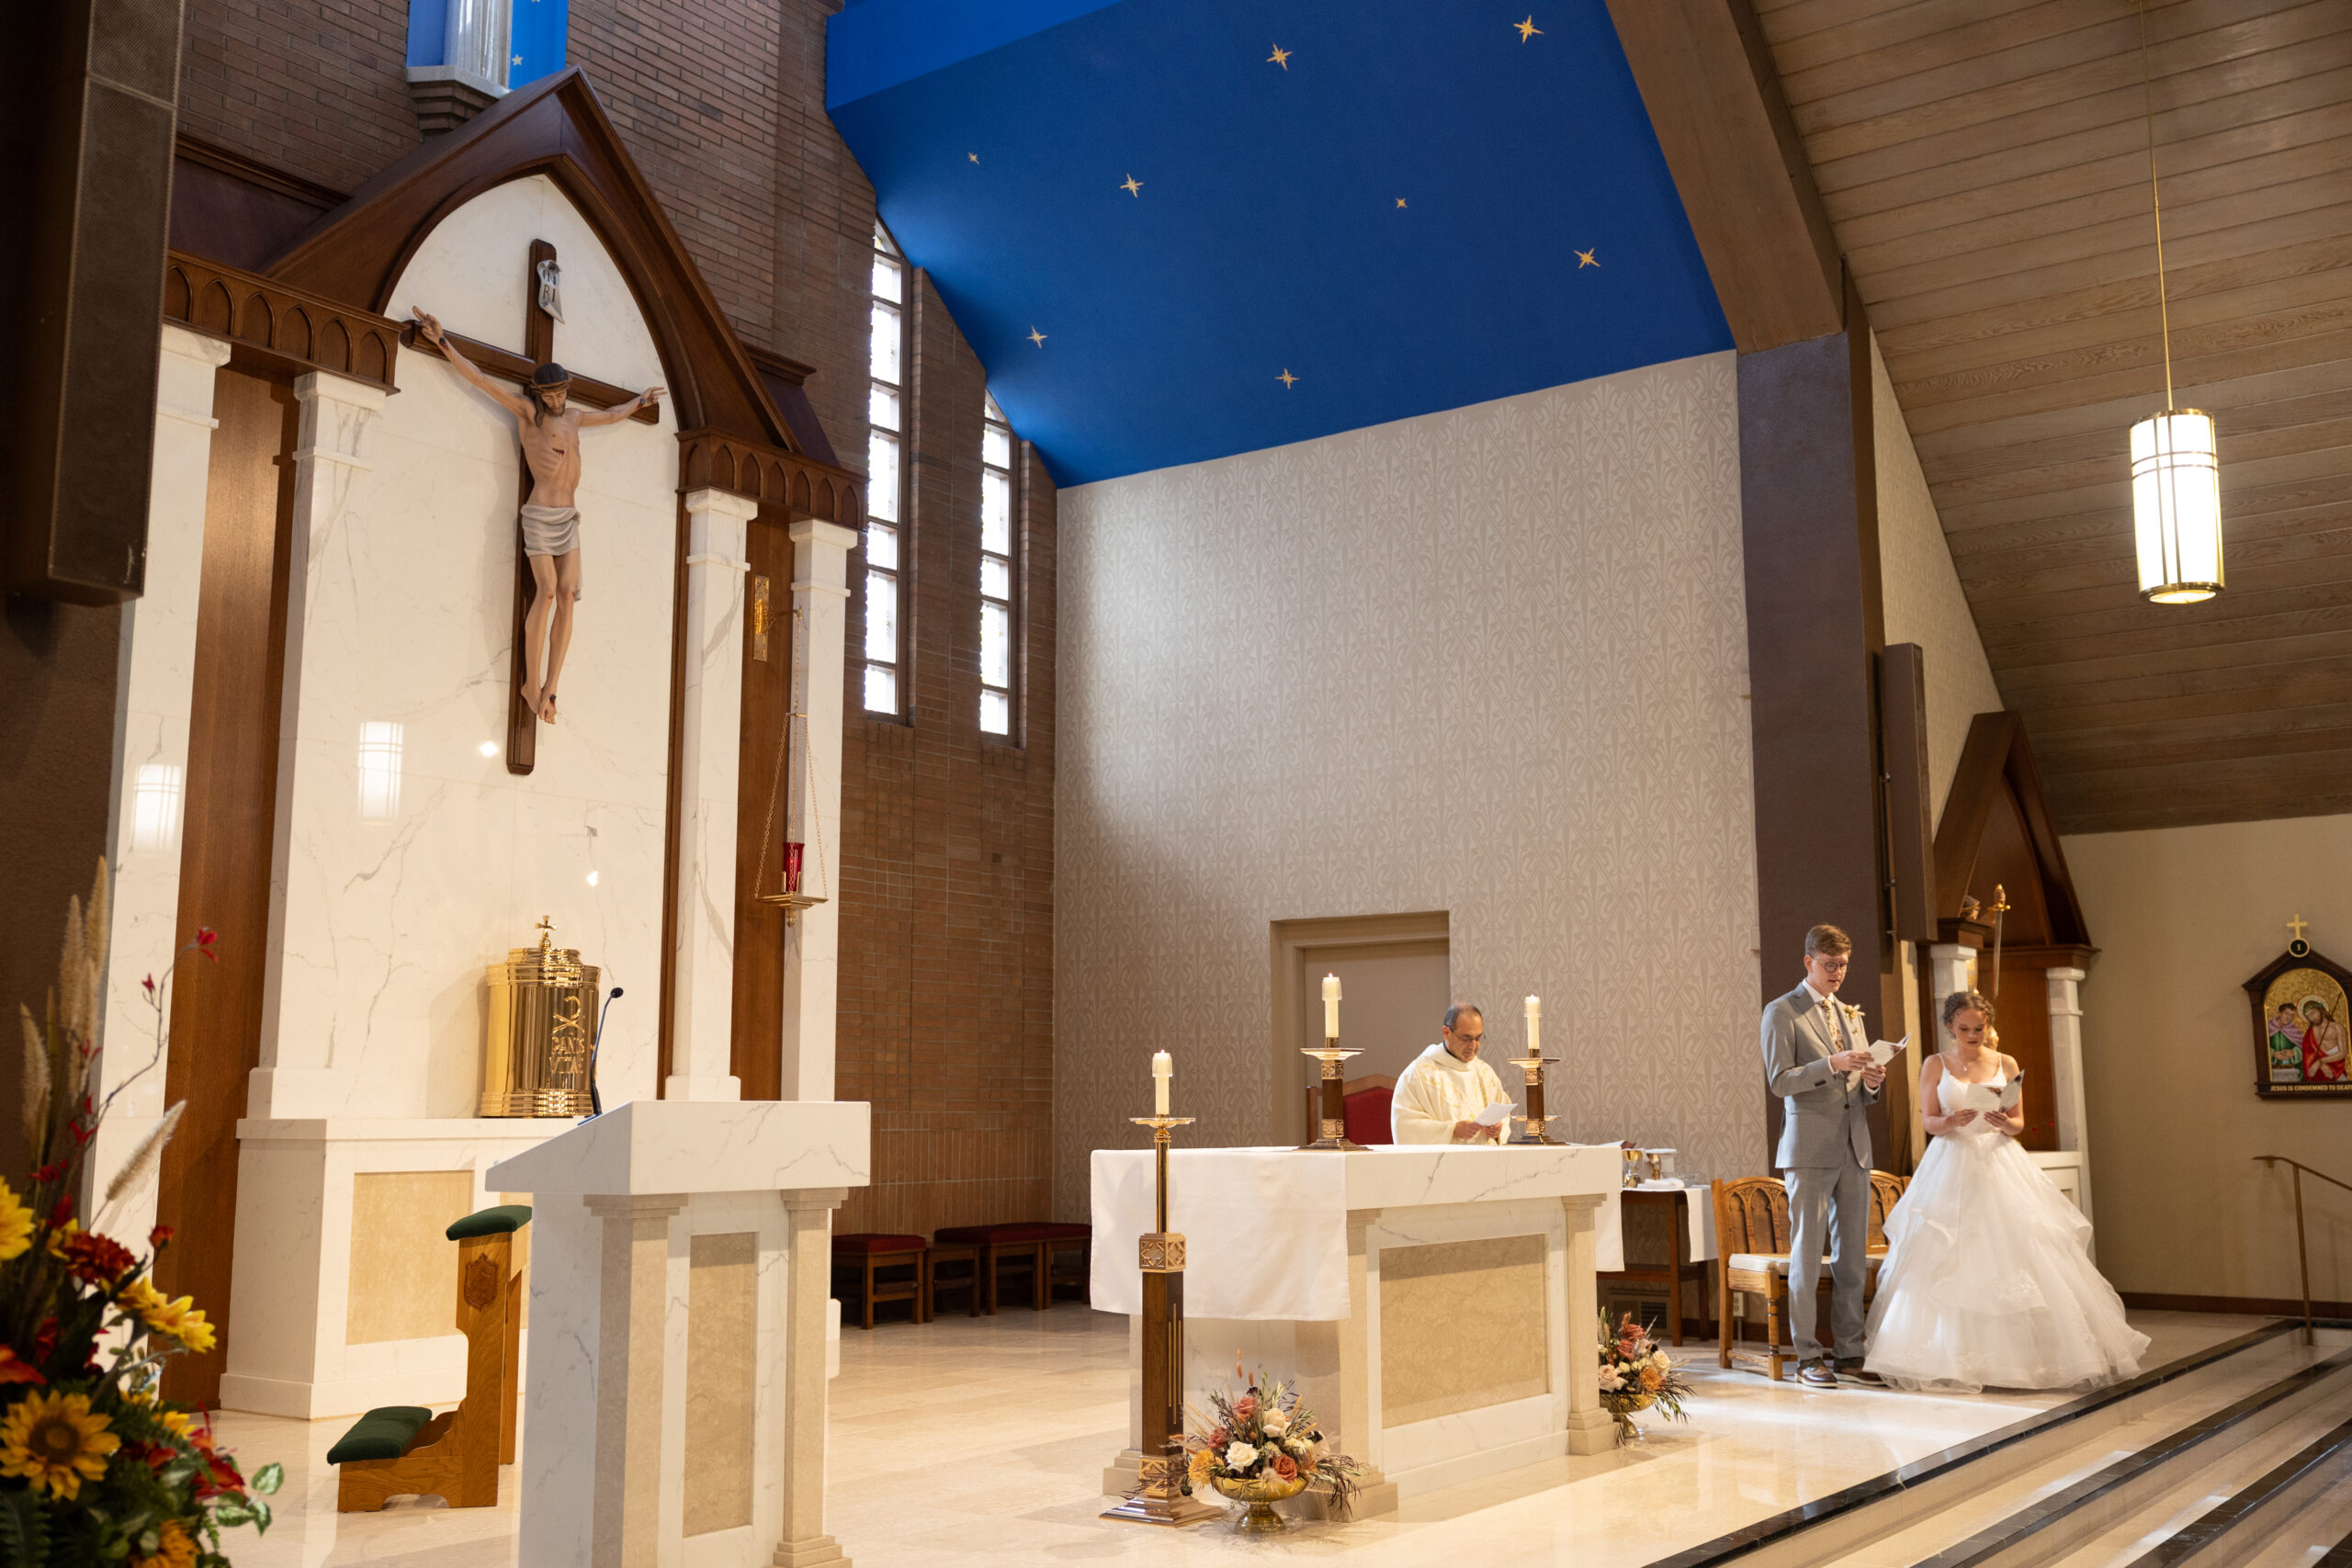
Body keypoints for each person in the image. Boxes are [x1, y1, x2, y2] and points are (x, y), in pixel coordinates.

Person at [1863, 990, 2148, 1393]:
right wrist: (1952, 1120)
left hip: (1999, 1160)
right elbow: (1928, 1120)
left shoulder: (2006, 1063)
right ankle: (1951, 1357)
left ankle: (2030, 1358)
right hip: (1951, 1162)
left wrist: (2002, 1122)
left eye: (1979, 1028)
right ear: (1950, 1026)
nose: (1973, 1035)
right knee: (1951, 1255)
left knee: (2020, 1251)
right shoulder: (1935, 1064)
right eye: (1964, 1029)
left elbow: (2019, 1122)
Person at [412, 308, 663, 725]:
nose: (556, 400)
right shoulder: (529, 414)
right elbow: (480, 379)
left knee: (567, 597)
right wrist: (443, 341)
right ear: (539, 393)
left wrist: (641, 400)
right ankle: (532, 683)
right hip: (540, 515)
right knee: (546, 592)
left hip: (569, 518)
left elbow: (614, 414)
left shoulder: (576, 417)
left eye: (561, 393)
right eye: (550, 395)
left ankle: (551, 687)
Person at [1760, 924, 1886, 1388]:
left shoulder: (1850, 1015)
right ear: (1809, 962)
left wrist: (1871, 1081)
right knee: (1808, 1256)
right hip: (1809, 1148)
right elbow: (1780, 1081)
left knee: (1851, 1257)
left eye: (1844, 966)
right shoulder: (1781, 1012)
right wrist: (1830, 1064)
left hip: (1854, 1145)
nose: (1838, 974)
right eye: (1830, 965)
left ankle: (1850, 1353)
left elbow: (1858, 1088)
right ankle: (1807, 1356)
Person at [1391, 1004, 1509, 1145]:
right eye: (1466, 1038)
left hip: (1485, 1162)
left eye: (1478, 1038)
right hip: (1439, 1164)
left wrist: (1498, 1130)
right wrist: (1452, 1130)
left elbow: (1504, 1115)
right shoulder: (1419, 1073)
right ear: (1446, 1033)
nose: (1473, 1046)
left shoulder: (1485, 1073)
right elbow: (1405, 1126)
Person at [2302, 1000, 2347, 1083]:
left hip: (2336, 1066)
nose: (2311, 1019)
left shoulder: (2337, 1027)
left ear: (2321, 1010)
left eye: (2312, 1013)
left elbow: (2343, 1053)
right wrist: (2321, 1065)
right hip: (2317, 1069)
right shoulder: (2310, 1031)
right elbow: (2308, 1054)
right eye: (2307, 1016)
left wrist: (2321, 1061)